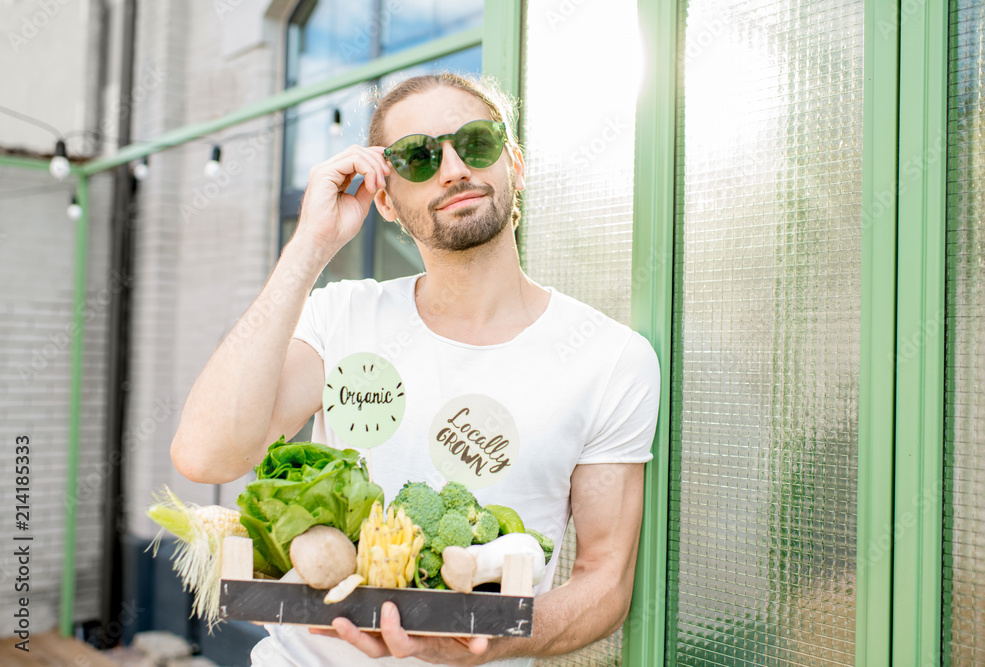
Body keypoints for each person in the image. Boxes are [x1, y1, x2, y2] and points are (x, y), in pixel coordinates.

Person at [170, 73, 660, 666]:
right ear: (385, 201)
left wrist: (485, 643)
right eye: (418, 157)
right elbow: (206, 456)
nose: (453, 168)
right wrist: (309, 247)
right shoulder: (340, 316)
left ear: (515, 164)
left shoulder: (611, 359)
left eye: (476, 142)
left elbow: (605, 583)